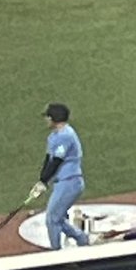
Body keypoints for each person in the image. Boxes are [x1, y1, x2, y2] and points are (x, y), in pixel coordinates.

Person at [27, 103, 89, 250]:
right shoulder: (54, 137)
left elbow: (56, 161)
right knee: (56, 218)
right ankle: (81, 238)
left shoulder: (66, 135)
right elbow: (48, 160)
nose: (46, 120)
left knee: (52, 219)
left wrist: (44, 181)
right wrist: (41, 181)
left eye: (48, 117)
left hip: (70, 182)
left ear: (53, 118)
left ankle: (56, 251)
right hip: (63, 183)